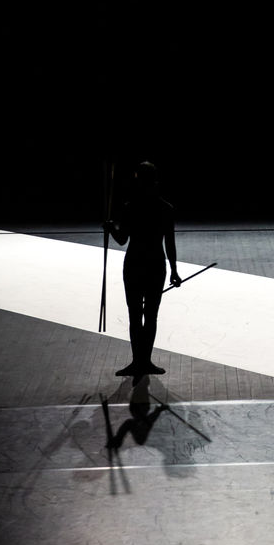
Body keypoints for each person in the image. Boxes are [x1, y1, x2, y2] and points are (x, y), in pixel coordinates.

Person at [105, 161, 181, 382]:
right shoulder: (165, 208)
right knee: (150, 315)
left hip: (135, 264)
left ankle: (139, 361)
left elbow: (122, 240)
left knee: (136, 314)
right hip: (155, 264)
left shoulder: (131, 207)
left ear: (138, 182)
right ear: (155, 181)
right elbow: (170, 244)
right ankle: (143, 361)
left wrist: (110, 228)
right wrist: (174, 270)